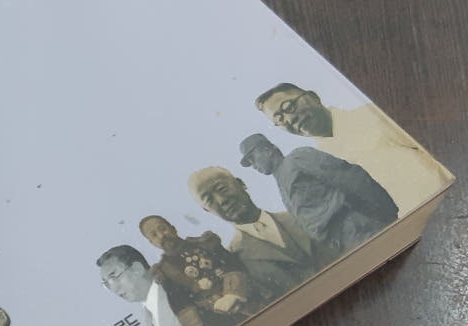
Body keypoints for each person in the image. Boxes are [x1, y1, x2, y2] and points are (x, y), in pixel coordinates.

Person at [254, 83, 450, 216]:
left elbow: (443, 147)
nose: (290, 119)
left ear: (313, 97)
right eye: (279, 119)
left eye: (289, 106)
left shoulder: (371, 114)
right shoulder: (321, 162)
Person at [239, 131, 398, 257]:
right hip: (342, 244)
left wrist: (386, 213)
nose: (253, 165)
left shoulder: (297, 158)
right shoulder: (281, 186)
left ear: (267, 150)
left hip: (356, 226)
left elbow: (350, 177)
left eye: (252, 158)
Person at [186, 166, 326, 302]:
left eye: (222, 189)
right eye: (209, 200)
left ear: (241, 183)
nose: (221, 201)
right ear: (207, 210)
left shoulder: (300, 216)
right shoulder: (235, 260)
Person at [138, 214, 252, 326]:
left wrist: (232, 294)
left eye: (163, 229)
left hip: (245, 300)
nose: (161, 236)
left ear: (173, 229)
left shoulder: (205, 243)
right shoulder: (164, 271)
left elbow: (232, 264)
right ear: (151, 242)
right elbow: (179, 302)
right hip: (213, 319)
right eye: (154, 235)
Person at [98, 244, 200, 326]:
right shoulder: (148, 313)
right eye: (107, 284)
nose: (114, 288)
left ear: (137, 269)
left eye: (114, 277)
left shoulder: (175, 293)